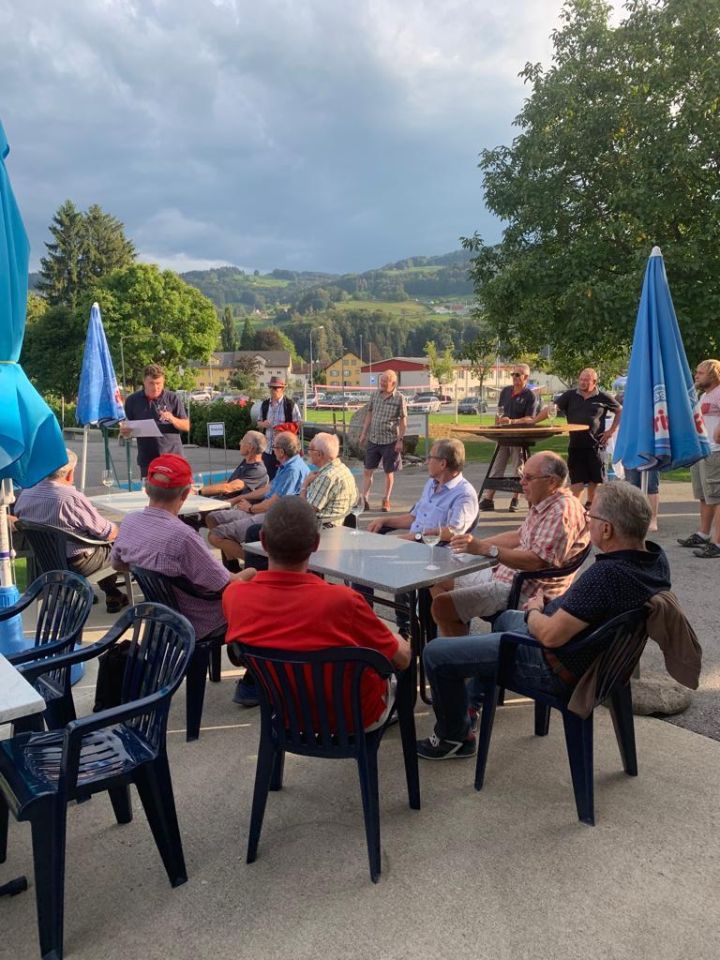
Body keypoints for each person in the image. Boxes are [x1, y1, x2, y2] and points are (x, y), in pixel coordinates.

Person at [418, 481, 671, 760]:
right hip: (587, 654)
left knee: (435, 654)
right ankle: (472, 701)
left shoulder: (606, 576)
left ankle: (454, 738)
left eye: (592, 516)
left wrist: (535, 612)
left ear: (607, 529)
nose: (587, 520)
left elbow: (551, 636)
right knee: (504, 621)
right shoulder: (654, 561)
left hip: (552, 664)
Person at [223, 497, 411, 728]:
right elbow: (402, 659)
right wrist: (396, 638)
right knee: (400, 655)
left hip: (284, 713)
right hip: (351, 719)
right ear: (316, 544)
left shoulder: (235, 596)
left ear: (262, 541)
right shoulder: (344, 601)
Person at [110, 453, 256, 702]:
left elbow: (118, 564)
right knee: (266, 599)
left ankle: (242, 649)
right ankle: (251, 676)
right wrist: (254, 571)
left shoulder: (131, 522)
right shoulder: (184, 537)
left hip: (161, 614)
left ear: (147, 489)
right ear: (186, 494)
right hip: (201, 619)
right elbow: (227, 585)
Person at [431, 452, 589, 636]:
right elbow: (518, 536)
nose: (521, 482)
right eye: (522, 475)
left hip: (525, 592)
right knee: (437, 580)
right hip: (506, 576)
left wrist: (485, 548)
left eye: (528, 478)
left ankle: (460, 649)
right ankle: (459, 634)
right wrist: (471, 546)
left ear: (552, 482)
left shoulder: (562, 512)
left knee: (442, 606)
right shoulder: (546, 501)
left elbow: (536, 562)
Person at [362, 438, 479, 639]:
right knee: (361, 559)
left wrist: (412, 538)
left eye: (430, 457)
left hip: (437, 554)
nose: (426, 461)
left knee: (377, 558)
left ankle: (407, 628)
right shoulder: (431, 484)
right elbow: (413, 517)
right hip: (414, 546)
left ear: (442, 463)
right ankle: (370, 624)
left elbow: (453, 532)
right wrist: (385, 520)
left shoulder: (464, 494)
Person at [13, 449, 127, 613]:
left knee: (99, 544)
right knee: (121, 546)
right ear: (70, 473)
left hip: (45, 562)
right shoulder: (69, 497)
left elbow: (19, 515)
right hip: (78, 564)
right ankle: (130, 596)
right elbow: (108, 533)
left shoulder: (27, 493)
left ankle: (110, 593)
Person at [206, 431, 309, 560]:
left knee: (215, 535)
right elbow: (269, 488)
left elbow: (273, 504)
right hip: (262, 510)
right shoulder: (287, 465)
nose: (272, 450)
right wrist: (240, 499)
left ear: (282, 452)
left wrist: (250, 508)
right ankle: (234, 563)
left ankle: (256, 564)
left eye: (274, 447)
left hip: (272, 516)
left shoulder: (292, 470)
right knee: (213, 518)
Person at [479, 364, 541, 514]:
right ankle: (488, 498)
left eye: (517, 375)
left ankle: (515, 499)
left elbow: (530, 418)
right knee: (497, 465)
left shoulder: (530, 396)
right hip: (503, 436)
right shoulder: (506, 391)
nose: (514, 377)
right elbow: (499, 411)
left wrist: (512, 421)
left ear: (526, 377)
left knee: (517, 468)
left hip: (519, 437)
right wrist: (497, 424)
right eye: (513, 374)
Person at [555, 368, 621, 509]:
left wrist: (611, 431)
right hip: (576, 445)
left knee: (595, 480)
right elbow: (553, 408)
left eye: (586, 380)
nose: (582, 382)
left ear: (594, 382)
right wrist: (534, 420)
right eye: (581, 379)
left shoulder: (603, 397)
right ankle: (575, 509)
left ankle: (590, 507)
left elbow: (620, 410)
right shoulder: (570, 395)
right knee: (576, 481)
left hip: (596, 445)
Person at [677, 359, 720, 558]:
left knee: (718, 497)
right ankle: (703, 534)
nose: (696, 376)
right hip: (702, 451)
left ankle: (717, 543)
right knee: (705, 496)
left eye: (700, 373)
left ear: (714, 374)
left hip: (716, 452)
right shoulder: (704, 395)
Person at [121, 364, 190, 478]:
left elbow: (186, 426)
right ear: (144, 382)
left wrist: (172, 419)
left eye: (159, 383)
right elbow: (126, 430)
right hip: (148, 460)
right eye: (151, 383)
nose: (155, 387)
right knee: (150, 489)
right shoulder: (132, 401)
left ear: (163, 382)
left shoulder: (172, 398)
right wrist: (125, 432)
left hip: (173, 457)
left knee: (176, 488)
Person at [358, 370, 407, 512]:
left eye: (385, 381)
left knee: (388, 471)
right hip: (374, 439)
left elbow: (403, 421)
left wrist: (400, 440)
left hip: (390, 441)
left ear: (393, 383)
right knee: (368, 470)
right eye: (381, 380)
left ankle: (386, 499)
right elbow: (369, 414)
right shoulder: (375, 395)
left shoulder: (399, 398)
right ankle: (365, 499)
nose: (382, 383)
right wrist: (363, 433)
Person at [301, 432, 357, 527]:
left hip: (322, 527)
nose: (308, 452)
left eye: (310, 449)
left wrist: (304, 485)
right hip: (335, 524)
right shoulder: (342, 468)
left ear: (319, 454)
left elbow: (306, 511)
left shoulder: (327, 477)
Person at [255, 375, 301, 480]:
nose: (273, 390)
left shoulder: (290, 405)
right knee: (268, 479)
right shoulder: (265, 404)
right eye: (271, 387)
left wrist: (283, 428)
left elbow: (298, 424)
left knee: (284, 479)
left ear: (283, 388)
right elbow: (258, 422)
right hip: (268, 450)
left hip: (284, 451)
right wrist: (263, 424)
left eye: (276, 388)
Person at [199, 430, 268, 499]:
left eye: (243, 441)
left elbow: (229, 488)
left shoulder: (257, 470)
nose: (240, 443)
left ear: (250, 447)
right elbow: (229, 482)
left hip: (231, 504)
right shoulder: (247, 462)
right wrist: (206, 489)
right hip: (222, 499)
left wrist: (199, 491)